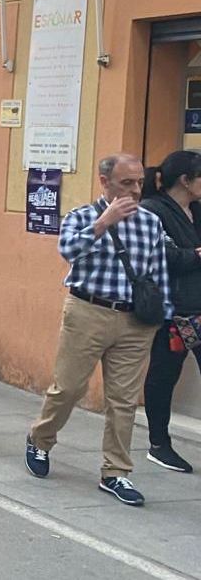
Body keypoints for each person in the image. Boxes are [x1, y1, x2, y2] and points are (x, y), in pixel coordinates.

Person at [25, 153, 170, 507]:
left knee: (123, 401)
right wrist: (104, 222)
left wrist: (160, 318)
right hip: (88, 311)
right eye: (127, 183)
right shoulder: (81, 216)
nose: (135, 190)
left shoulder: (151, 223)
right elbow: (68, 250)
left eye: (139, 183)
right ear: (104, 182)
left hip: (135, 322)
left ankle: (116, 472)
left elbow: (158, 272)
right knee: (68, 388)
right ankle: (40, 439)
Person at [139, 150, 201, 473]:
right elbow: (166, 257)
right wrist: (196, 255)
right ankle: (159, 444)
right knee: (164, 375)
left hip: (198, 306)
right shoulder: (152, 211)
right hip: (172, 310)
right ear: (186, 181)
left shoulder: (197, 210)